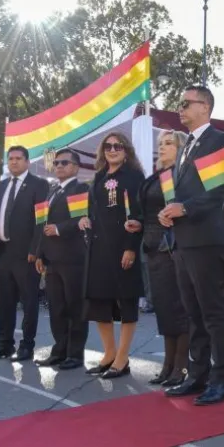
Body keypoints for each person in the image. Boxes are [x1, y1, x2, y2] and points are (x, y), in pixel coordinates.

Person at [159, 85, 224, 406]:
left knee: (213, 313)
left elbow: (221, 190)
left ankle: (222, 380)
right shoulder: (184, 148)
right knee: (193, 312)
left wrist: (186, 208)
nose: (180, 108)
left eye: (185, 103)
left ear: (205, 106)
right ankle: (197, 375)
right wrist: (169, 210)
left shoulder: (219, 140)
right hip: (182, 242)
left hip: (207, 240)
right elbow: (180, 193)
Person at [79, 133, 145, 379]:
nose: (112, 149)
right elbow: (92, 210)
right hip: (98, 249)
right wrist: (86, 219)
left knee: (126, 302)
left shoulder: (134, 177)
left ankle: (122, 358)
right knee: (99, 303)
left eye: (118, 146)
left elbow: (138, 214)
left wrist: (130, 247)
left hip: (122, 246)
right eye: (108, 146)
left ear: (126, 150)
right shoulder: (97, 177)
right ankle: (109, 353)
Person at [127, 131, 190, 386]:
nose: (162, 147)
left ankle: (181, 366)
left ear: (182, 147)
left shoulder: (183, 175)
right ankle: (168, 364)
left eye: (168, 143)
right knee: (163, 309)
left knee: (179, 308)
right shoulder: (155, 176)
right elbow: (147, 211)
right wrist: (137, 223)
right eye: (160, 144)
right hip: (152, 247)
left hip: (174, 247)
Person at [0, 146, 50, 361]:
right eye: (10, 159)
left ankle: (27, 346)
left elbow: (42, 220)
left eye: (18, 158)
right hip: (3, 253)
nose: (14, 162)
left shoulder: (39, 185)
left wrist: (35, 249)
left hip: (26, 254)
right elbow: (0, 215)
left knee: (29, 302)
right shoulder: (1, 186)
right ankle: (5, 345)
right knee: (4, 302)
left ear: (27, 162)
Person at [34, 148, 90, 371]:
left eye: (64, 163)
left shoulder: (81, 188)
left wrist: (58, 229)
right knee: (56, 307)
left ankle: (75, 354)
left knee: (75, 307)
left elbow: (82, 220)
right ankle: (59, 351)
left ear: (75, 167)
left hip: (73, 257)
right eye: (56, 163)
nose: (59, 166)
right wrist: (40, 253)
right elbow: (42, 225)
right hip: (52, 258)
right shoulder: (52, 191)